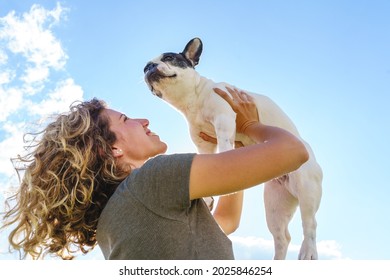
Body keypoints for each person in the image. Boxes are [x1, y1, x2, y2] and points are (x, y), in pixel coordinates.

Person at [1, 87, 308, 260]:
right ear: (112, 149)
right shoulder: (152, 182)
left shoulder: (114, 221)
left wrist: (229, 137)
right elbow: (294, 152)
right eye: (126, 119)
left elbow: (224, 223)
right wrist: (249, 125)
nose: (143, 119)